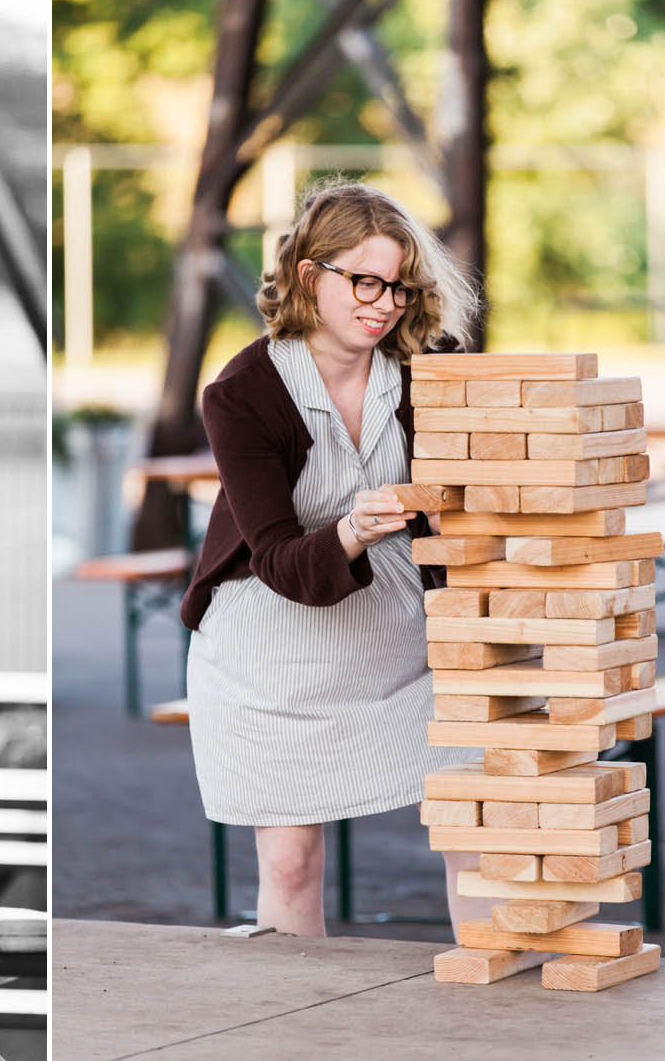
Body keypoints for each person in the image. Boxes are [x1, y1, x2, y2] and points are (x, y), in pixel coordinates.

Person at [178, 181, 486, 937]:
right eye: (367, 282)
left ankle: (500, 1022)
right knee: (290, 863)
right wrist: (354, 529)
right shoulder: (242, 393)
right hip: (271, 660)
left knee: (476, 831)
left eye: (400, 286)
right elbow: (279, 561)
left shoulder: (429, 367)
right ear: (312, 275)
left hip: (405, 648)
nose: (385, 304)